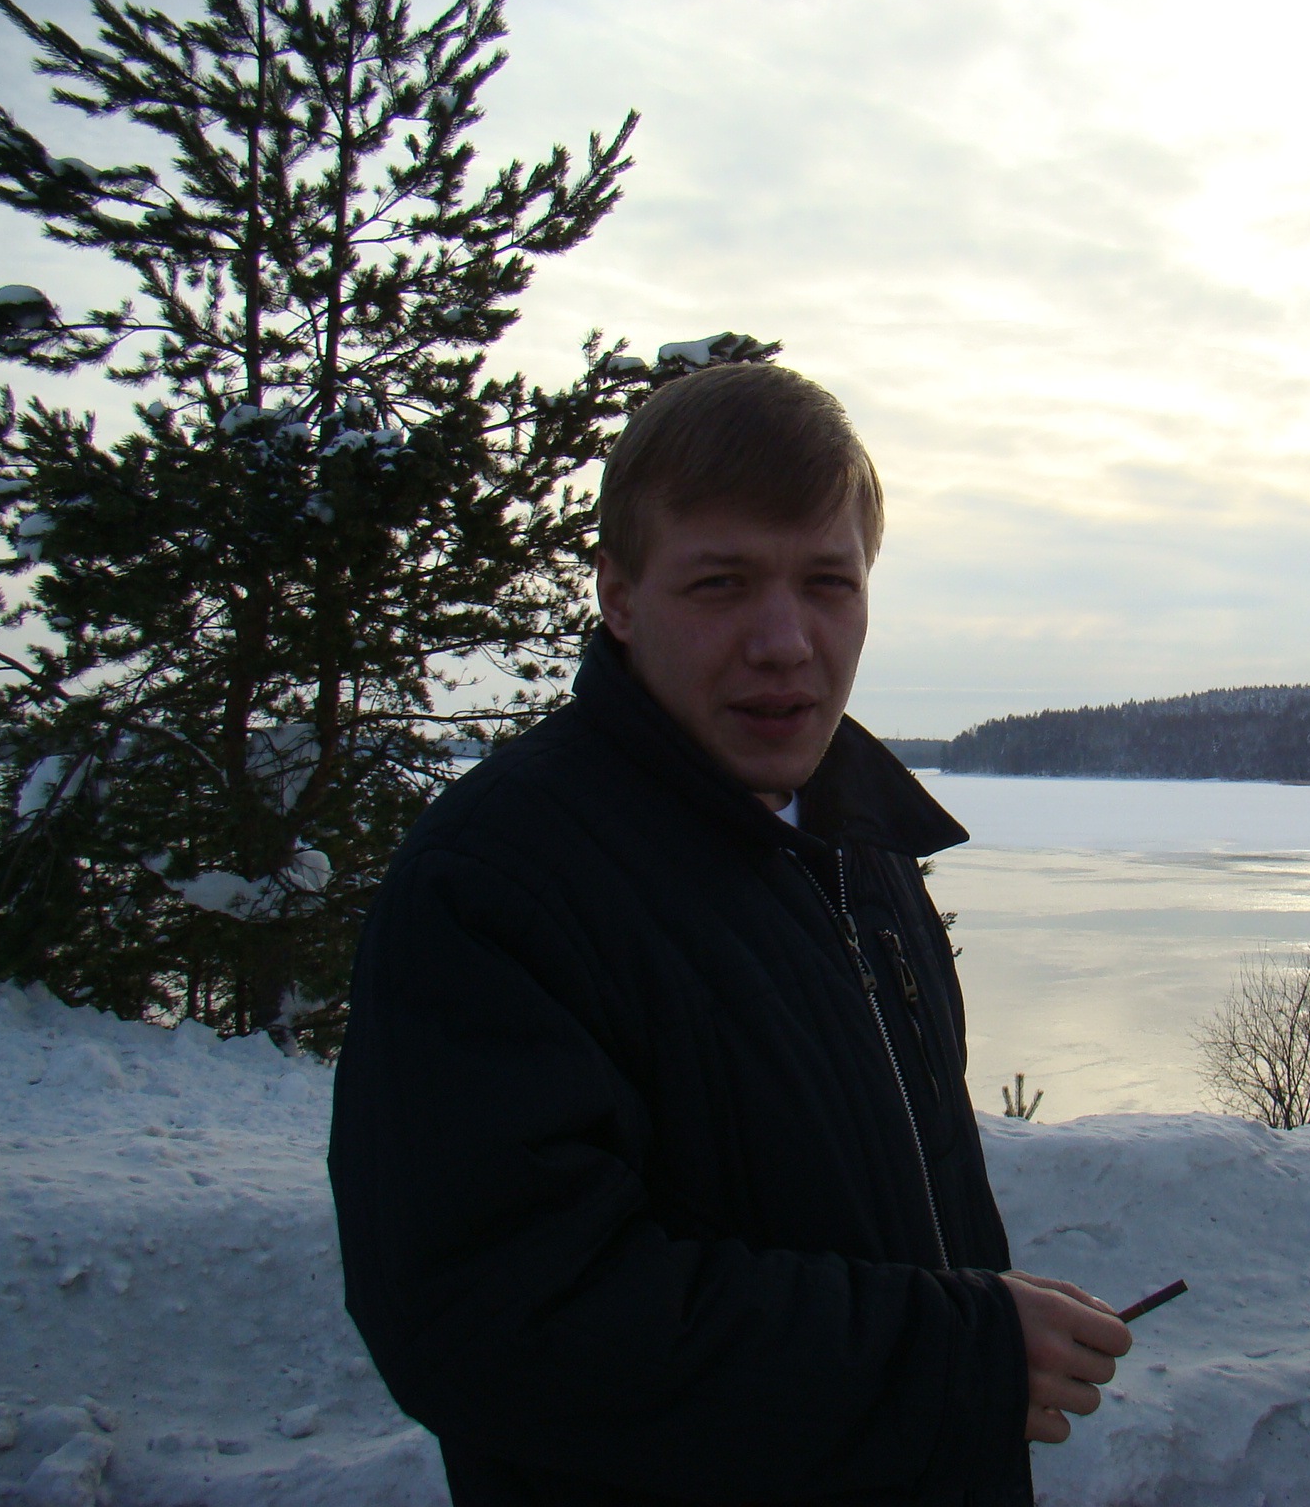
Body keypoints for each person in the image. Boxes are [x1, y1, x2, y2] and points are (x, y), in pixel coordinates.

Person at [328, 361, 1131, 1507]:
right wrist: (948, 1356)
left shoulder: (861, 848)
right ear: (619, 597)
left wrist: (975, 1339)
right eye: (721, 583)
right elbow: (493, 1321)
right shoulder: (498, 885)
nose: (785, 640)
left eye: (827, 582)